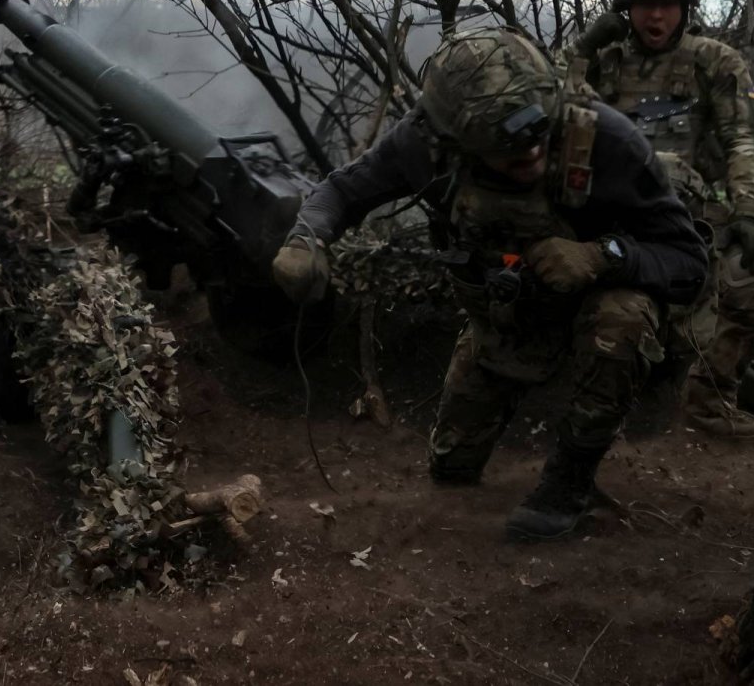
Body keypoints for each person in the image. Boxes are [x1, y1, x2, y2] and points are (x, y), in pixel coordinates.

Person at [270, 27, 708, 542]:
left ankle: (568, 483)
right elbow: (343, 191)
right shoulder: (426, 144)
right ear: (458, 141)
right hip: (506, 315)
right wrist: (305, 241)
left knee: (623, 319)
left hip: (597, 304)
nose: (532, 156)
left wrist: (601, 256)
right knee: (450, 472)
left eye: (539, 139)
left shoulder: (608, 141)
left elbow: (688, 263)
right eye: (509, 152)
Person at [572, 0, 754, 443]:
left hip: (691, 216)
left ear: (686, 5)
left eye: (667, 3)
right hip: (610, 214)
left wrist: (748, 211)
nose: (656, 14)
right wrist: (579, 53)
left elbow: (744, 139)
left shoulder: (715, 62)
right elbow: (549, 112)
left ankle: (710, 402)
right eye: (645, 4)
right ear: (627, 8)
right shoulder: (603, 62)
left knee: (752, 276)